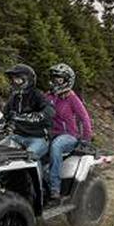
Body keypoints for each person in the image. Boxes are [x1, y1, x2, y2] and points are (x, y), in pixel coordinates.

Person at [45, 63, 93, 199]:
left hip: (68, 136)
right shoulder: (48, 96)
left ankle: (55, 187)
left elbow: (84, 118)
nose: (55, 82)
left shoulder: (72, 98)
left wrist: (86, 138)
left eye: (59, 79)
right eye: (54, 78)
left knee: (56, 146)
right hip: (49, 133)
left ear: (67, 81)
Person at [1, 64, 54, 160]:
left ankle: (41, 175)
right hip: (17, 136)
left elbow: (49, 109)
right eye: (13, 79)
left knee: (28, 158)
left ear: (27, 80)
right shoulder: (14, 97)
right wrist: (5, 121)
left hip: (37, 138)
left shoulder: (37, 94)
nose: (14, 82)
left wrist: (40, 115)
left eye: (18, 79)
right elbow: (5, 113)